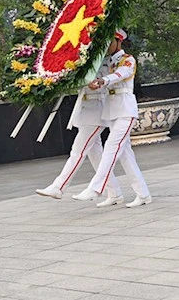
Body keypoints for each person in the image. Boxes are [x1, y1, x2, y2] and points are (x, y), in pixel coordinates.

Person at [73, 29, 152, 208]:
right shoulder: (105, 61)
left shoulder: (128, 59)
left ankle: (96, 187)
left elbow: (121, 74)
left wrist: (103, 81)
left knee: (111, 146)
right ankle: (142, 194)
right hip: (111, 111)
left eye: (109, 42)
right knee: (126, 155)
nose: (107, 46)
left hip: (125, 109)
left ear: (118, 41)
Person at [35, 64, 125, 207]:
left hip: (96, 112)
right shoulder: (83, 61)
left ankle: (59, 186)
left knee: (77, 151)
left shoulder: (103, 61)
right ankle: (114, 192)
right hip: (85, 111)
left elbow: (105, 82)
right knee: (96, 157)